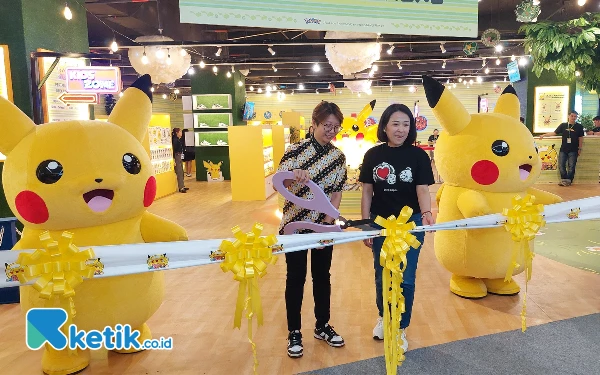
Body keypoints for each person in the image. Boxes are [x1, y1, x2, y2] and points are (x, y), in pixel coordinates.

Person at [359, 103, 435, 352]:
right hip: (380, 224)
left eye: (406, 124)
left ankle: (400, 327)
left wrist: (426, 214)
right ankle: (384, 316)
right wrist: (366, 224)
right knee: (382, 274)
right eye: (395, 123)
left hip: (410, 224)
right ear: (384, 126)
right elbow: (367, 192)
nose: (401, 129)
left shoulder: (419, 156)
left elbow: (422, 189)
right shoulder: (372, 155)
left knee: (406, 277)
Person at [275, 101, 347, 359]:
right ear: (314, 124)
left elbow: (337, 191)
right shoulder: (295, 151)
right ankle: (294, 331)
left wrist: (328, 222)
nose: (331, 131)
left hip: (323, 227)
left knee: (322, 276)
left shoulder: (338, 157)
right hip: (294, 226)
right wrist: (293, 174)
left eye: (336, 127)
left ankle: (322, 325)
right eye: (327, 125)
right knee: (295, 278)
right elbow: (277, 183)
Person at [539, 110, 585, 186]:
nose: (573, 118)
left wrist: (580, 148)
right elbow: (554, 133)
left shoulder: (579, 126)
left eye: (575, 116)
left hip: (573, 150)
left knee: (572, 166)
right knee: (561, 165)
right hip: (563, 149)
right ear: (568, 116)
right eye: (572, 116)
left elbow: (581, 138)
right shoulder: (563, 125)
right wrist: (544, 135)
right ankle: (564, 180)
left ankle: (569, 181)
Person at [171, 128, 188, 193]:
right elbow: (174, 150)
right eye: (180, 132)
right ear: (177, 133)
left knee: (181, 171)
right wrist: (174, 159)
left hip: (179, 156)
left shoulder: (178, 139)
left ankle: (182, 186)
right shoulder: (175, 140)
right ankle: (181, 187)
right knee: (179, 172)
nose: (181, 133)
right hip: (177, 156)